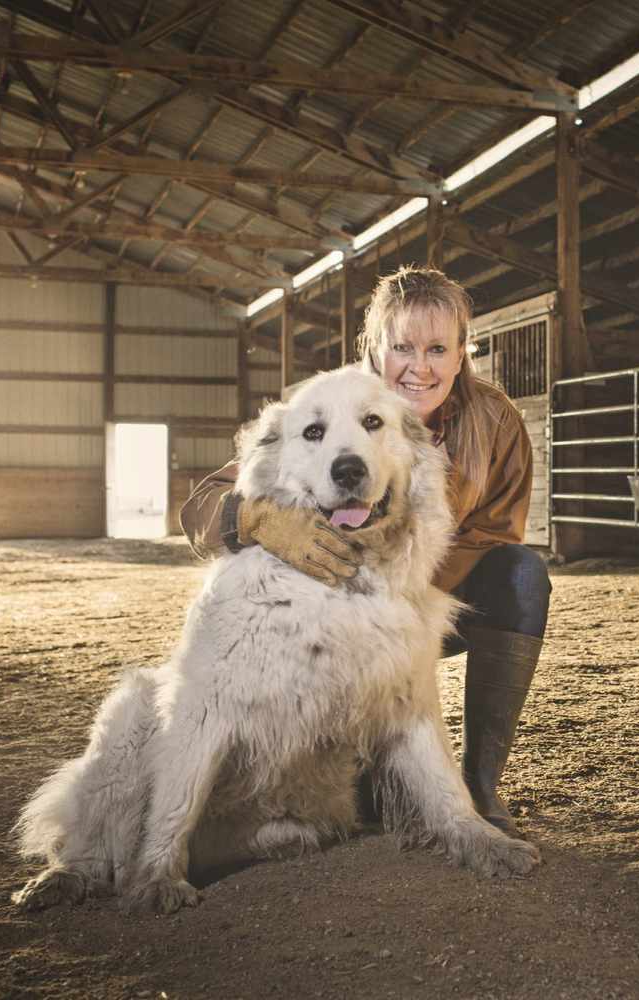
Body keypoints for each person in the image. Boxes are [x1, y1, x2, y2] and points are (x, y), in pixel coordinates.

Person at [179, 265, 549, 839]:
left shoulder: (496, 422)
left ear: (460, 354)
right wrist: (256, 518)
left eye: (436, 349)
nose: (419, 367)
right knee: (357, 805)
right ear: (373, 349)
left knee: (523, 575)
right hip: (331, 617)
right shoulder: (330, 407)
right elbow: (200, 511)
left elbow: (496, 536)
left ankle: (478, 782)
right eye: (401, 347)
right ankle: (360, 767)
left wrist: (398, 584)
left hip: (429, 603)